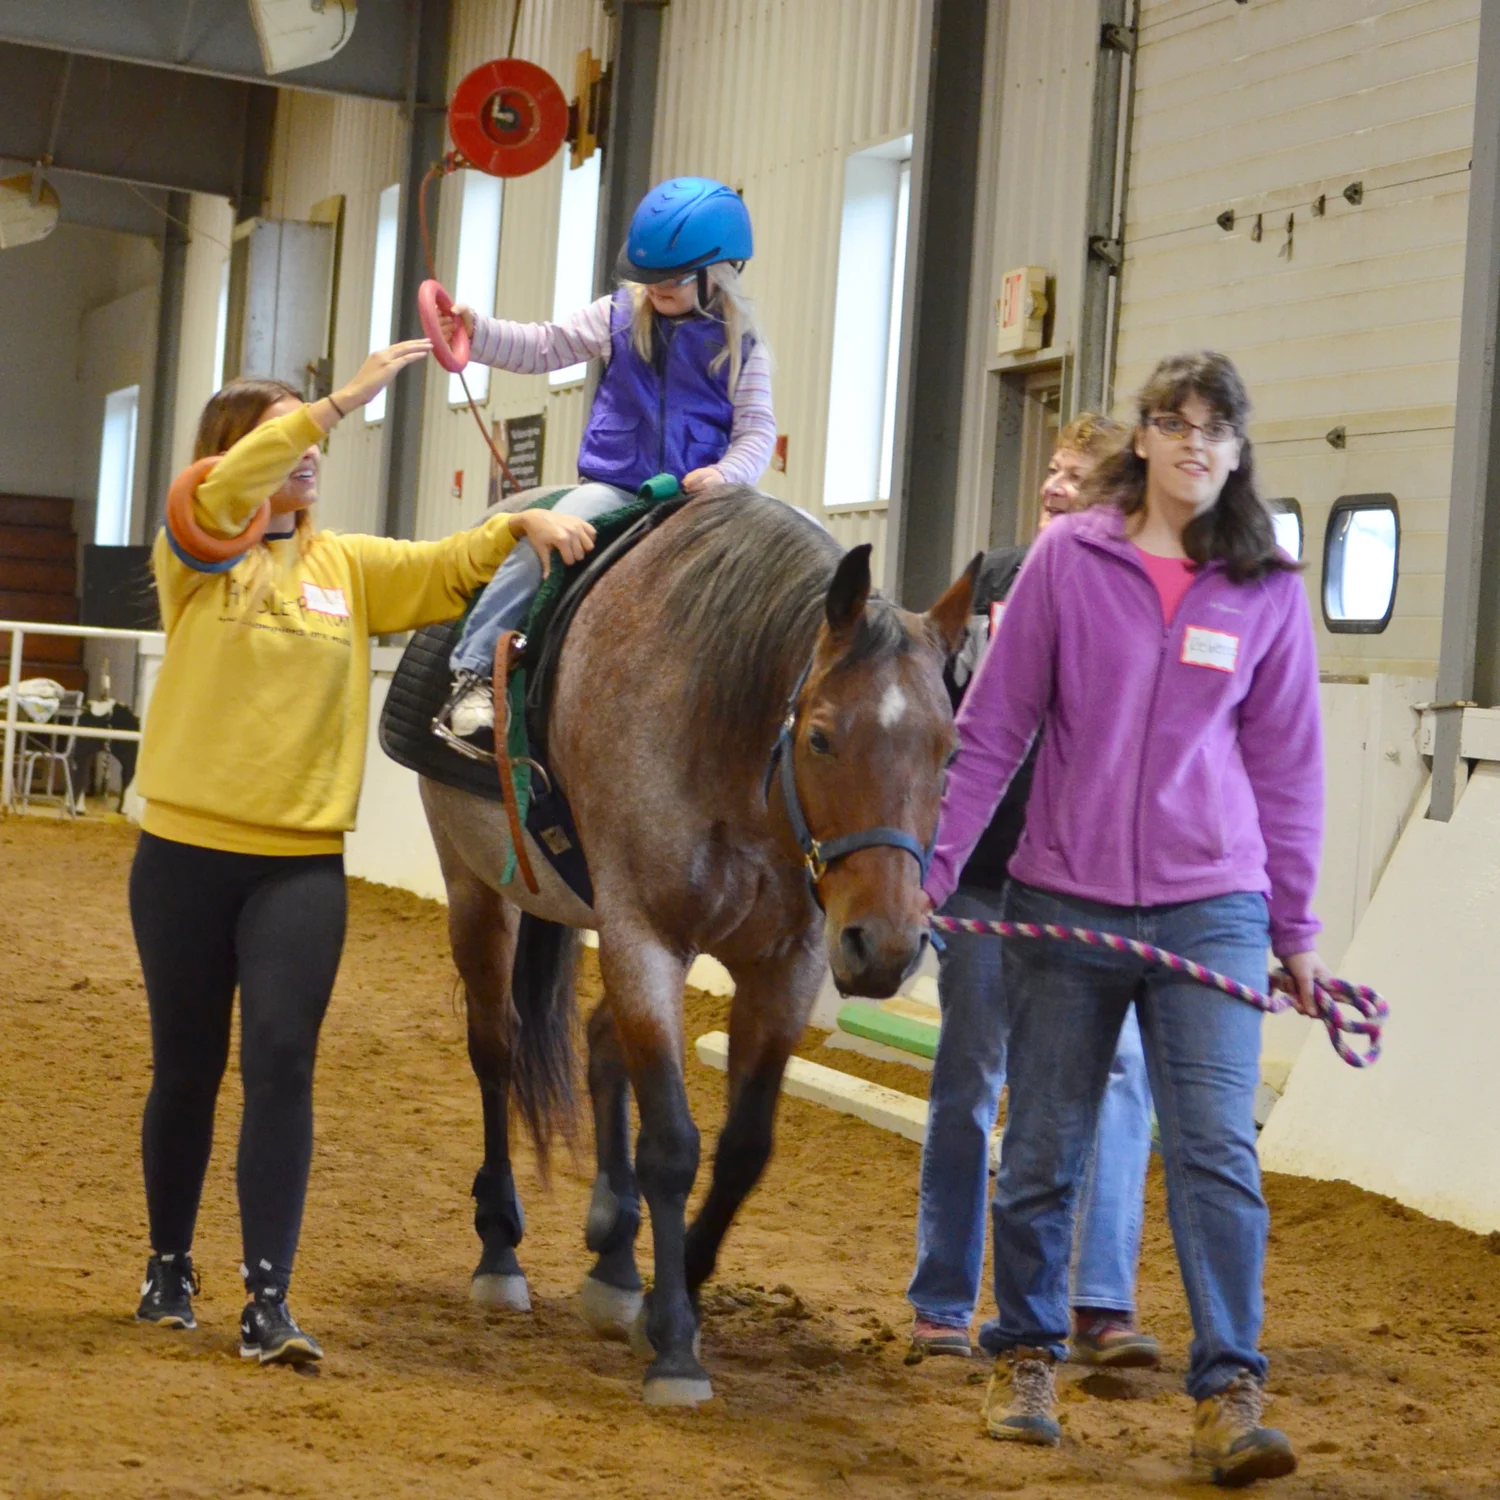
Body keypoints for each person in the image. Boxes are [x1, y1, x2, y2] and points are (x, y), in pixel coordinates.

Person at [130, 346, 596, 1365]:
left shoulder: (344, 568)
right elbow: (224, 494)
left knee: (283, 1064)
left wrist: (518, 524)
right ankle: (170, 1260)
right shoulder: (195, 556)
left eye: (311, 439)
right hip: (183, 856)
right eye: (283, 437)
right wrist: (333, 405)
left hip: (297, 865)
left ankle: (268, 1301)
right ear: (234, 456)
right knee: (189, 1069)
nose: (309, 454)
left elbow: (445, 567)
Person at [926, 352, 1326, 1487]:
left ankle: (1230, 1389)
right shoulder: (1068, 561)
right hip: (1066, 896)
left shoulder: (1266, 586)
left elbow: (1288, 767)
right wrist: (941, 869)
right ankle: (1024, 1357)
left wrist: (1293, 927)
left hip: (1214, 906)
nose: (1195, 443)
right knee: (1043, 1145)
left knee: (1214, 1154)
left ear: (1238, 451)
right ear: (1142, 440)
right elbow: (996, 727)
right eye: (1174, 422)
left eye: (1216, 428)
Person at [908, 413, 1160, 1370]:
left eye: (1076, 479)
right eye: (1051, 472)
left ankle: (1101, 1301)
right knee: (970, 1084)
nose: (1053, 488)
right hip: (985, 881)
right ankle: (941, 1305)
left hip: (1097, 888)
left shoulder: (1138, 599)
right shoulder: (993, 580)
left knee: (1122, 1083)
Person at [438, 175, 776, 742]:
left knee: (793, 548)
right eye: (648, 278)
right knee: (543, 547)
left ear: (716, 273)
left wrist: (726, 474)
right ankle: (474, 674)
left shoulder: (743, 345)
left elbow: (757, 431)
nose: (656, 289)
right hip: (617, 487)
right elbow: (543, 345)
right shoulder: (618, 315)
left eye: (671, 278)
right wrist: (479, 331)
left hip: (705, 500)